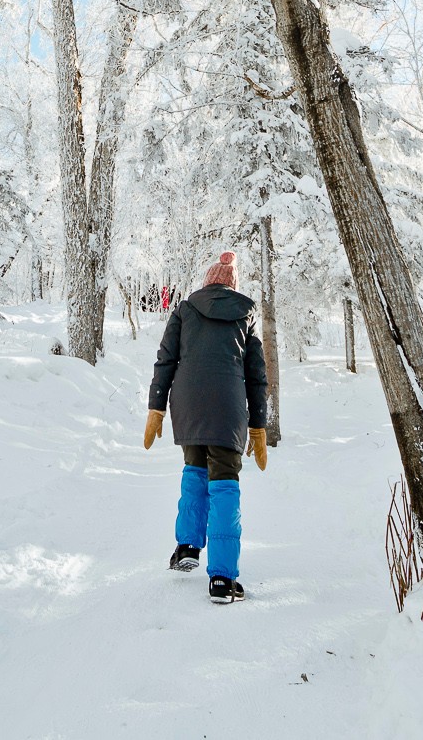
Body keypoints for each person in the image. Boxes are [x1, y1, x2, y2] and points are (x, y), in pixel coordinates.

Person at [143, 250, 268, 605]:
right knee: (225, 485)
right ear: (232, 285)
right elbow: (256, 378)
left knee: (194, 470)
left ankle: (186, 546)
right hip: (227, 407)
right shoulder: (246, 317)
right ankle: (223, 579)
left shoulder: (184, 310)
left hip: (189, 404)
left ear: (207, 282)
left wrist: (156, 407)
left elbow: (166, 359)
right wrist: (258, 426)